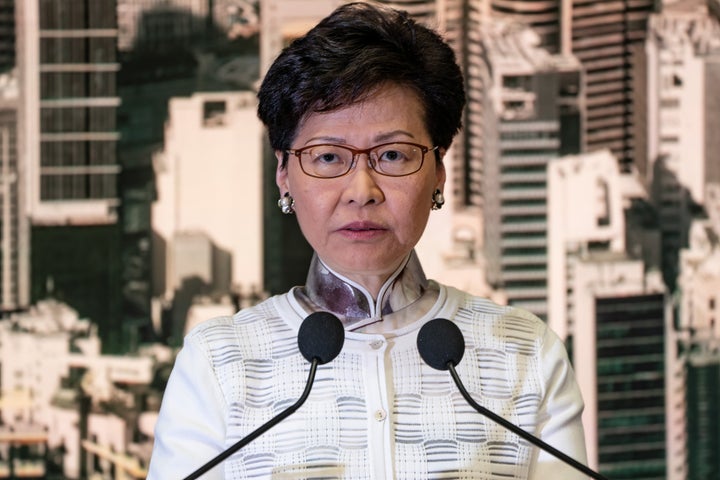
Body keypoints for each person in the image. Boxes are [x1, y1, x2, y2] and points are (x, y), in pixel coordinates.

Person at [148, 2, 588, 479]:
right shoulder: (218, 364)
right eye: (329, 158)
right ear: (283, 174)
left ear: (439, 171)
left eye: (394, 155)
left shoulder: (525, 353)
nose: (362, 191)